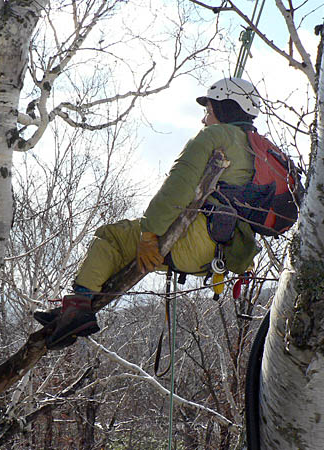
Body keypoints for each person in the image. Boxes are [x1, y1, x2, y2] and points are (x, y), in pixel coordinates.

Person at [36, 77, 262, 350]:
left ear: (225, 108)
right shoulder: (256, 147)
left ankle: (77, 308)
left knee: (112, 237)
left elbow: (177, 189)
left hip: (193, 241)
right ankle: (74, 308)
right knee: (125, 251)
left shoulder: (215, 136)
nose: (204, 120)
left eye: (209, 111)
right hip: (224, 253)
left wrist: (149, 233)